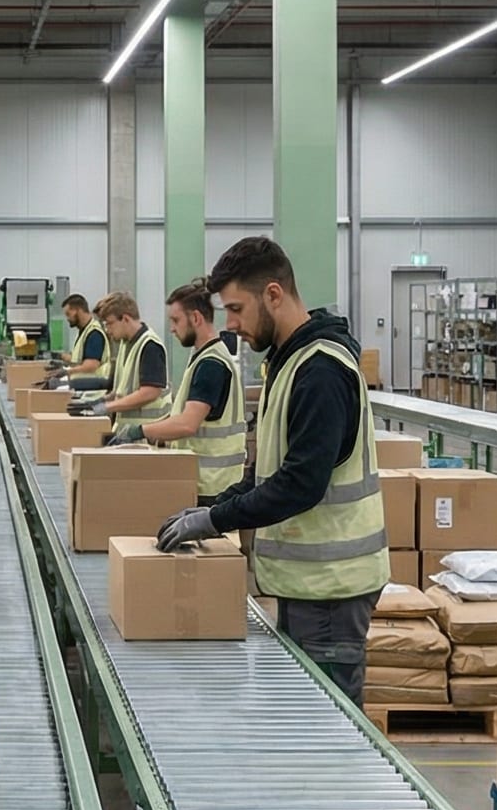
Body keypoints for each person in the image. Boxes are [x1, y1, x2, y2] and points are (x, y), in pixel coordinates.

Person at [155, 238, 386, 699]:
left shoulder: (320, 371)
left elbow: (301, 483)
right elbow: (267, 473)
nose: (231, 324)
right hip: (310, 584)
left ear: (274, 295)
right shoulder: (289, 362)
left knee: (326, 726)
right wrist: (213, 507)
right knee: (305, 712)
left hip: (332, 587)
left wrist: (213, 519)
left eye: (237, 309)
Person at [109, 280, 247, 503]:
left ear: (196, 318)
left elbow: (187, 424)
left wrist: (140, 431)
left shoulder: (210, 364)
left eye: (175, 320)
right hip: (206, 480)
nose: (172, 328)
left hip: (211, 485)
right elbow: (186, 416)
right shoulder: (205, 357)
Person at [64, 292, 168, 428]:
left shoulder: (150, 345)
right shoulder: (125, 345)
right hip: (127, 432)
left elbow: (150, 392)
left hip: (147, 434)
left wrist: (106, 407)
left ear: (125, 319)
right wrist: (96, 403)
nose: (107, 330)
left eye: (110, 324)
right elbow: (120, 393)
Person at [50, 292, 104, 379]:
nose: (67, 319)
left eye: (68, 314)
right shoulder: (83, 331)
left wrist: (67, 372)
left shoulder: (94, 334)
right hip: (81, 386)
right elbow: (78, 360)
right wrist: (60, 358)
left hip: (92, 389)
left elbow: (91, 366)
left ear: (78, 310)